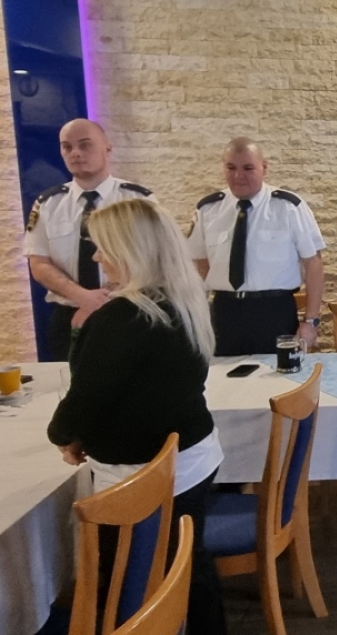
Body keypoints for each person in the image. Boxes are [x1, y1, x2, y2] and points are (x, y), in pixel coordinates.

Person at [47, 198, 227, 634]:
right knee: (189, 565)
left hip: (144, 472)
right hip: (192, 455)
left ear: (130, 249)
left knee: (131, 580)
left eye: (103, 247)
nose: (96, 257)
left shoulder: (124, 315)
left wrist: (65, 434)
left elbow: (86, 395)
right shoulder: (181, 300)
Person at [24, 118, 154, 361]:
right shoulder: (48, 204)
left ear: (107, 148)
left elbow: (153, 259)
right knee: (69, 380)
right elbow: (39, 264)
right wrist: (82, 297)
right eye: (67, 147)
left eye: (85, 145)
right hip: (69, 315)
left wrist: (104, 300)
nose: (75, 153)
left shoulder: (138, 201)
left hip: (127, 311)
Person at [188, 137, 326, 355]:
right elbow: (200, 264)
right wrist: (198, 313)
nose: (238, 176)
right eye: (231, 168)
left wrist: (311, 321)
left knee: (279, 375)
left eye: (248, 168)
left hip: (274, 314)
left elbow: (314, 265)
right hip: (224, 313)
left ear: (264, 168)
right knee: (221, 375)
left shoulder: (288, 207)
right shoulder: (208, 209)